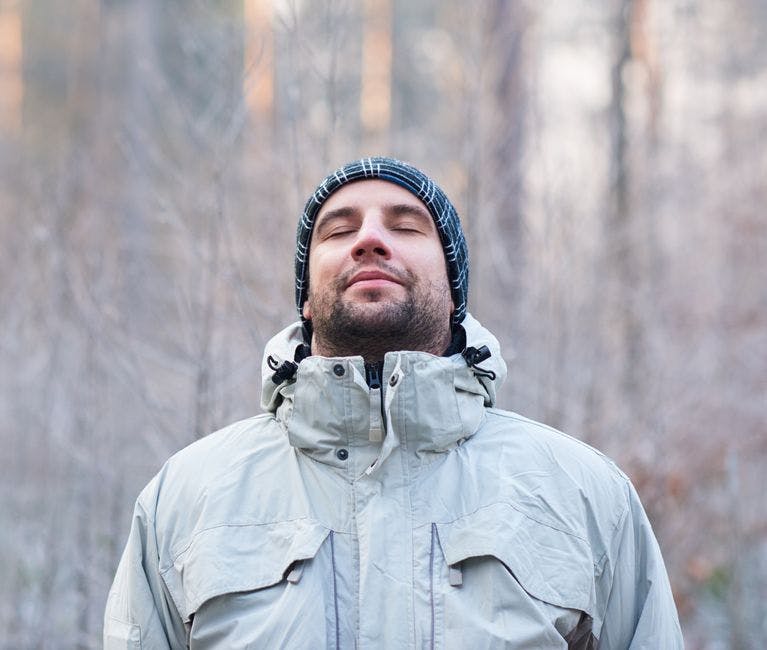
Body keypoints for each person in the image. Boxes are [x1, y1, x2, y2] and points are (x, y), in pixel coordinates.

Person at [104, 157, 683, 648]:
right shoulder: (186, 497)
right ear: (304, 298)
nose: (369, 239)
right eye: (338, 230)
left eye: (406, 226)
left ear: (454, 286)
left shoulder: (583, 493)